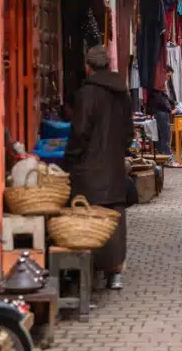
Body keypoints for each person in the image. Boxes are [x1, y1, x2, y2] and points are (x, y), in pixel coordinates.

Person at [65, 45, 134, 291]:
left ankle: (89, 267)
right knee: (115, 218)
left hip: (89, 169)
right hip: (113, 167)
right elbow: (129, 132)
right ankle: (115, 272)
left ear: (88, 67)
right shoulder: (121, 91)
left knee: (88, 216)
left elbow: (79, 132)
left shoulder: (87, 93)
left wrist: (70, 158)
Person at [148, 65, 181, 168]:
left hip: (160, 112)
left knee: (161, 137)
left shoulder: (158, 83)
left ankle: (162, 159)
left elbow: (164, 98)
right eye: (167, 75)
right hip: (161, 112)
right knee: (165, 136)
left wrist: (173, 103)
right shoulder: (158, 84)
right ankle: (167, 159)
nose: (168, 78)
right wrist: (170, 110)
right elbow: (160, 100)